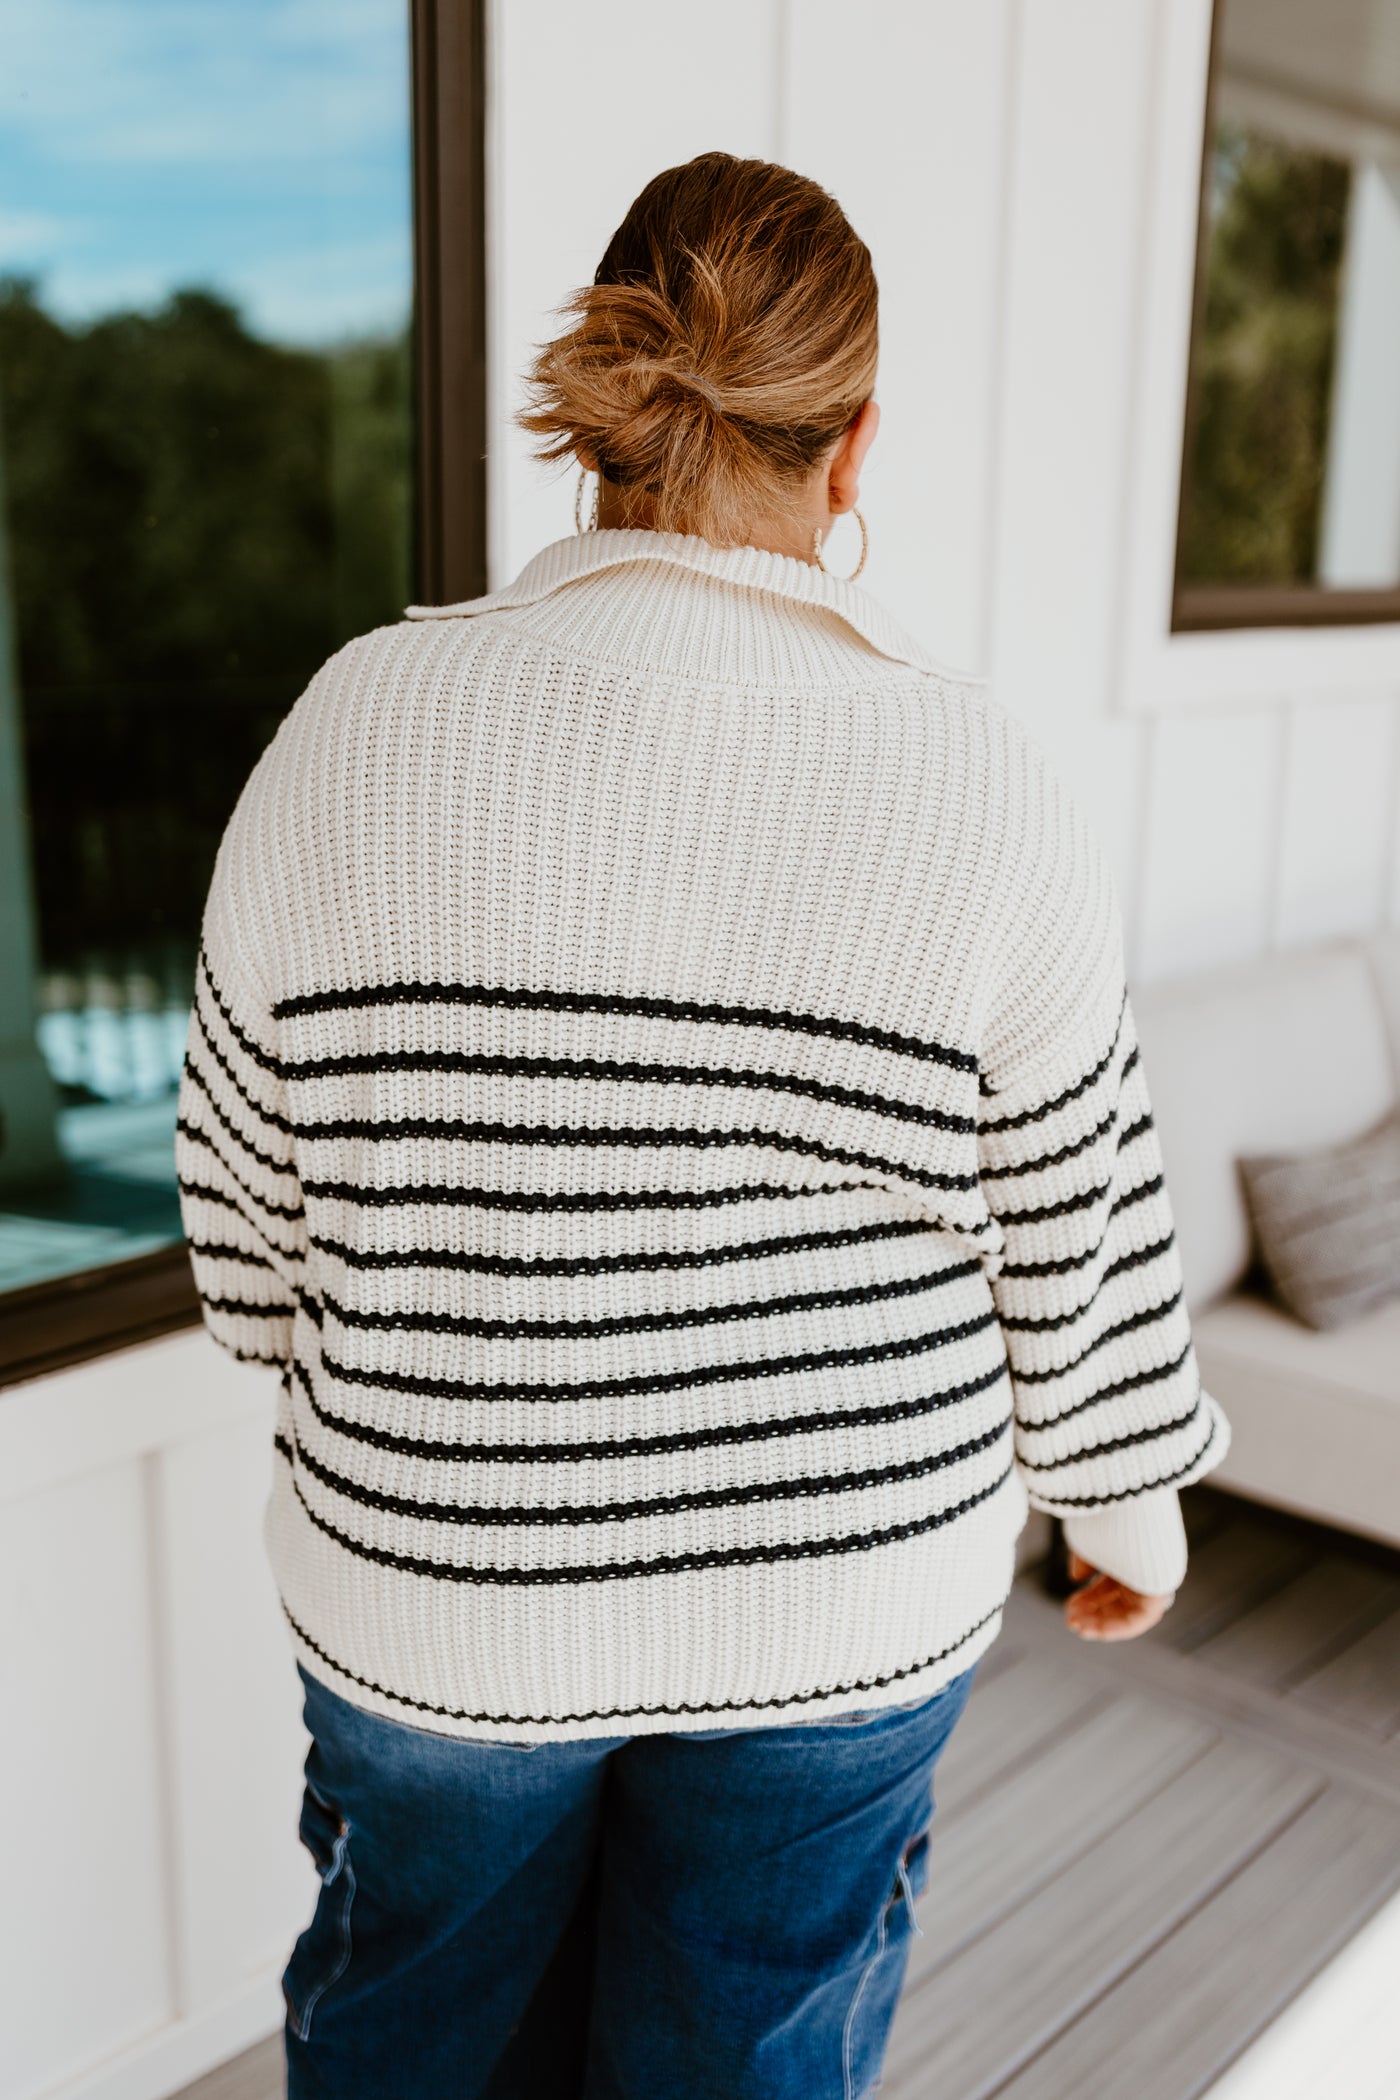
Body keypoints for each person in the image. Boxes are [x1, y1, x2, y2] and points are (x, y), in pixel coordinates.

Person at [176, 151, 1230, 2099]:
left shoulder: (358, 719)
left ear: (602, 413)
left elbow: (247, 1223)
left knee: (409, 2040)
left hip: (437, 1588)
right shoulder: (978, 781)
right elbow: (1073, 1218)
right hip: (840, 1591)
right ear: (856, 447)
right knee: (745, 2055)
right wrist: (1125, 1504)